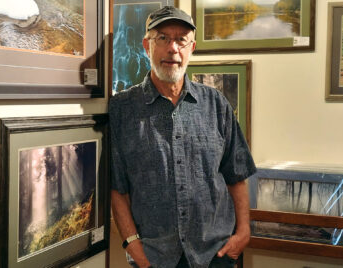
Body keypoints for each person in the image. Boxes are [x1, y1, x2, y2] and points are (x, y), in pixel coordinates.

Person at [109, 6, 256, 268]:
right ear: (146, 45)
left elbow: (236, 173)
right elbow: (117, 188)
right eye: (163, 38)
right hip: (154, 258)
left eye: (181, 40)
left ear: (192, 47)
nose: (172, 48)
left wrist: (243, 232)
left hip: (216, 254)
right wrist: (133, 245)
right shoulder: (122, 109)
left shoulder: (216, 104)